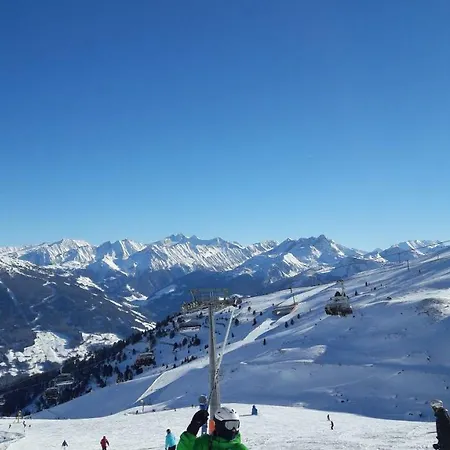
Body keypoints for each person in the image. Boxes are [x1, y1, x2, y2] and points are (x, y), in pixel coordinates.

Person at [177, 406, 248, 449]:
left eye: (236, 425)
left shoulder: (239, 448)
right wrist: (192, 429)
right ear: (219, 425)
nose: (234, 429)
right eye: (230, 425)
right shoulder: (204, 443)